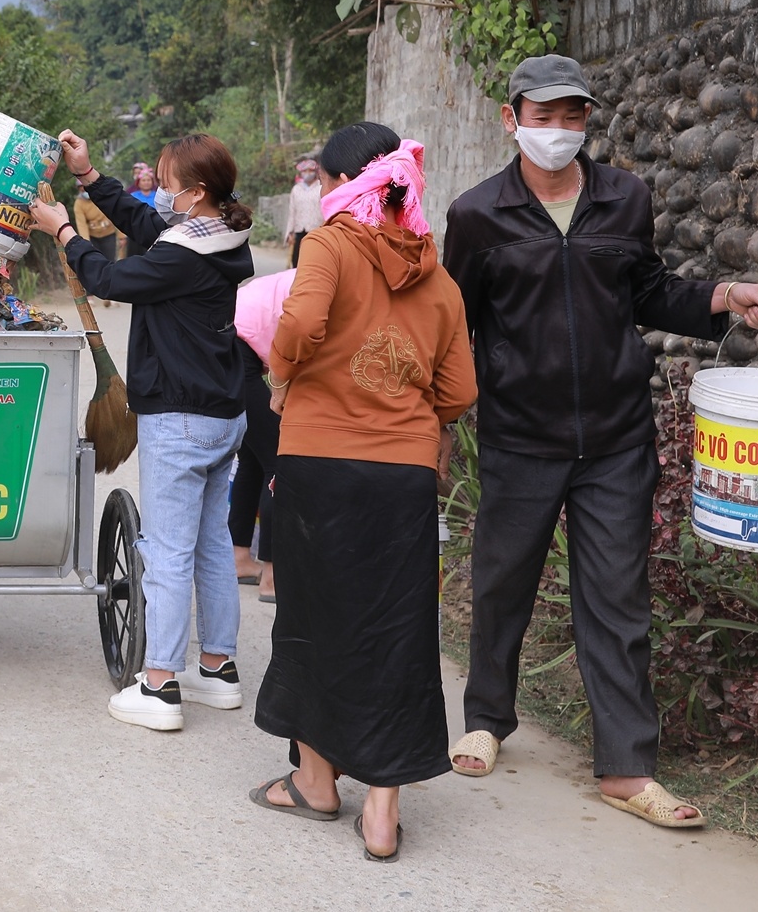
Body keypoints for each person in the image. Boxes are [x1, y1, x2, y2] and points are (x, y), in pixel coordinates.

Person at [442, 54, 758, 829]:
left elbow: (650, 291)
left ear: (588, 121)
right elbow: (451, 320)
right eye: (543, 115)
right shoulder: (476, 215)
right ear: (512, 119)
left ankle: (627, 768)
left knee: (618, 599)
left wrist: (727, 296)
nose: (560, 131)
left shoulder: (624, 197)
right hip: (519, 435)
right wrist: (442, 413)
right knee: (502, 585)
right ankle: (486, 718)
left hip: (615, 435)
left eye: (574, 116)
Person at [249, 123, 476, 862]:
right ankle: (382, 814)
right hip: (404, 475)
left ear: (344, 182)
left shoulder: (331, 243)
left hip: (320, 463)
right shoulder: (438, 276)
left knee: (315, 617)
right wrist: (407, 422)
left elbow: (303, 320)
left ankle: (315, 782)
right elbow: (460, 390)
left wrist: (282, 376)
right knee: (396, 630)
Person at [30, 129, 256, 731]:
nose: (161, 192)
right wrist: (88, 177)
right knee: (210, 544)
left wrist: (64, 231)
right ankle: (218, 668)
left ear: (197, 192)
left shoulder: (184, 255)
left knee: (167, 551)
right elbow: (147, 224)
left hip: (179, 420)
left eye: (169, 182)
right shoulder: (222, 235)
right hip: (224, 417)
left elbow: (112, 282)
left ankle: (158, 684)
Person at [229, 268, 296, 601]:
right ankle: (272, 576)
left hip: (230, 339)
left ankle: (240, 558)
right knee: (279, 462)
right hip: (239, 348)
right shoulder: (330, 279)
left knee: (253, 459)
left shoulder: (320, 267)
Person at [285, 156, 323, 267]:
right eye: (305, 171)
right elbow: (292, 212)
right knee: (297, 260)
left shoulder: (320, 188)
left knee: (315, 260)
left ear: (315, 172)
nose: (307, 173)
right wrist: (290, 232)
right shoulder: (296, 189)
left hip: (316, 230)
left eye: (310, 170)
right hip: (299, 230)